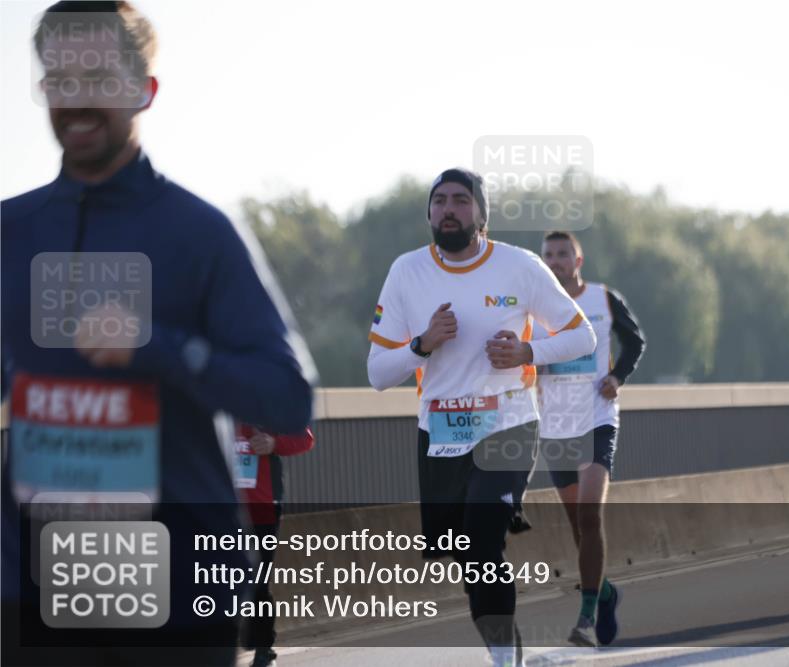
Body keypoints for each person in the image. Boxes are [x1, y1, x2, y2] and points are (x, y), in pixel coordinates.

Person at [1, 3, 314, 665]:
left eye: (97, 76)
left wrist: (157, 345)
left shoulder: (199, 233)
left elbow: (287, 399)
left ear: (144, 89)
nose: (77, 99)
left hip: (174, 594)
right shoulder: (12, 232)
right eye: (59, 78)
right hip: (30, 588)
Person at [366, 168, 596, 666]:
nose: (449, 209)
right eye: (440, 201)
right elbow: (378, 374)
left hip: (508, 422)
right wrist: (422, 344)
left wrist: (527, 352)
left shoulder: (521, 266)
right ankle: (505, 648)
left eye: (461, 200)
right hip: (441, 433)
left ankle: (503, 663)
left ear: (481, 214)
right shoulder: (407, 271)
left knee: (482, 538)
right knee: (472, 559)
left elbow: (583, 337)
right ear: (429, 213)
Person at [535, 231, 645, 647]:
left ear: (578, 261)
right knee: (578, 527)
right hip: (556, 423)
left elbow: (635, 341)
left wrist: (617, 377)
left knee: (589, 515)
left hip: (598, 417)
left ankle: (585, 616)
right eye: (549, 255)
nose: (556, 261)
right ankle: (607, 591)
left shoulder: (603, 298)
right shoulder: (536, 308)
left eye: (564, 254)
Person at [236, 425, 315, 667]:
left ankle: (263, 650)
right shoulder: (210, 399)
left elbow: (304, 438)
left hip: (262, 506)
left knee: (258, 580)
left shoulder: (266, 403)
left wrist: (273, 443)